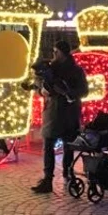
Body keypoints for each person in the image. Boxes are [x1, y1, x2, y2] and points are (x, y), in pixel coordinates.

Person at [31, 40, 89, 194]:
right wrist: (42, 90)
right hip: (60, 112)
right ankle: (58, 176)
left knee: (59, 145)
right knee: (58, 145)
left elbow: (83, 91)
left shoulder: (74, 71)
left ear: (63, 53)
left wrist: (68, 92)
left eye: (56, 52)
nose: (53, 55)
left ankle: (59, 175)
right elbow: (39, 85)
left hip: (62, 112)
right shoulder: (53, 69)